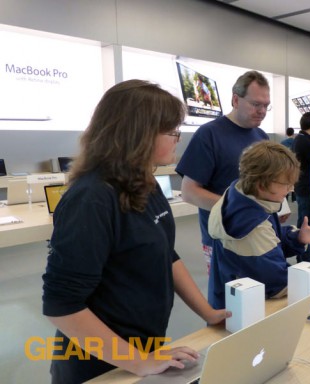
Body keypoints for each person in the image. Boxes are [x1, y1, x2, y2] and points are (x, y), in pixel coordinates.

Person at [42, 80, 230, 383]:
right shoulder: (92, 199)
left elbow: (166, 254)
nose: (177, 140)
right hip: (101, 363)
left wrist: (208, 312)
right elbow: (61, 306)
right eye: (171, 132)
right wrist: (139, 361)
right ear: (138, 134)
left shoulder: (146, 183)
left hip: (145, 349)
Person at [207, 141, 310, 309]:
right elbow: (279, 283)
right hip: (242, 314)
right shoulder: (252, 228)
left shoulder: (243, 196)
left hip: (228, 301)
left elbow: (271, 239)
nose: (290, 189)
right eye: (286, 184)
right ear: (262, 184)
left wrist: (297, 238)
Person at [176, 70, 270, 272]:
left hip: (259, 236)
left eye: (266, 106)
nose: (262, 111)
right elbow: (189, 191)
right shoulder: (209, 134)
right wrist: (237, 207)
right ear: (236, 100)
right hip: (221, 239)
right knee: (227, 301)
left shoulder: (262, 136)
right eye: (256, 104)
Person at [292, 112, 310, 262]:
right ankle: (304, 255)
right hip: (307, 188)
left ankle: (303, 253)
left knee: (305, 220)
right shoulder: (307, 142)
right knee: (307, 222)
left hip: (303, 186)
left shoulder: (301, 139)